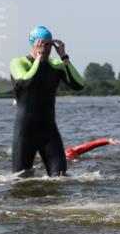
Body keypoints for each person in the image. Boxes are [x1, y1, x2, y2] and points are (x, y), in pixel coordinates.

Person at [10, 26, 85, 176]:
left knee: (61, 177)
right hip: (25, 131)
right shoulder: (18, 63)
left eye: (49, 44)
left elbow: (78, 85)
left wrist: (64, 57)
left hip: (48, 130)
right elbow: (26, 84)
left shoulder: (56, 65)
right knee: (20, 179)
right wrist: (38, 58)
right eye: (42, 44)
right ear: (33, 44)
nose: (46, 48)